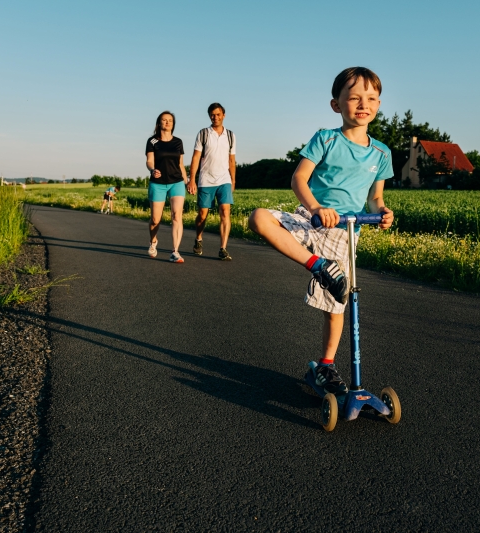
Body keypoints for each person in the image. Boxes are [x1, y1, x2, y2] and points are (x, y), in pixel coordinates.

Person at [248, 67, 394, 395]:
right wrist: (316, 208)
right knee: (258, 218)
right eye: (354, 98)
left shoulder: (381, 153)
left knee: (336, 305)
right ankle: (317, 265)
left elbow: (375, 196)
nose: (362, 104)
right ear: (336, 105)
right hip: (313, 220)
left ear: (379, 104)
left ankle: (325, 367)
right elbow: (299, 178)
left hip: (345, 233)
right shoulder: (326, 139)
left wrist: (382, 212)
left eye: (370, 98)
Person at [187, 103, 236, 261]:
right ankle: (199, 238)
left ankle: (223, 248)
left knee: (225, 212)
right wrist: (192, 180)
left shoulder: (230, 135)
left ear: (224, 115)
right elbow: (195, 157)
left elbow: (231, 159)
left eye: (218, 114)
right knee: (202, 215)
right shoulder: (203, 134)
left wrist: (233, 179)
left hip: (224, 179)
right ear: (209, 116)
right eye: (212, 115)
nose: (215, 117)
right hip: (206, 180)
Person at [146, 111, 188, 263]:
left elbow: (181, 164)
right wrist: (152, 170)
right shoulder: (152, 142)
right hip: (158, 184)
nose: (167, 122)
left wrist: (188, 181)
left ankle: (175, 251)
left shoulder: (178, 142)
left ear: (173, 124)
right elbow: (149, 161)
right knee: (155, 220)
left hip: (176, 182)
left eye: (170, 120)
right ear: (159, 123)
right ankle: (153, 241)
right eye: (164, 120)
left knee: (177, 216)